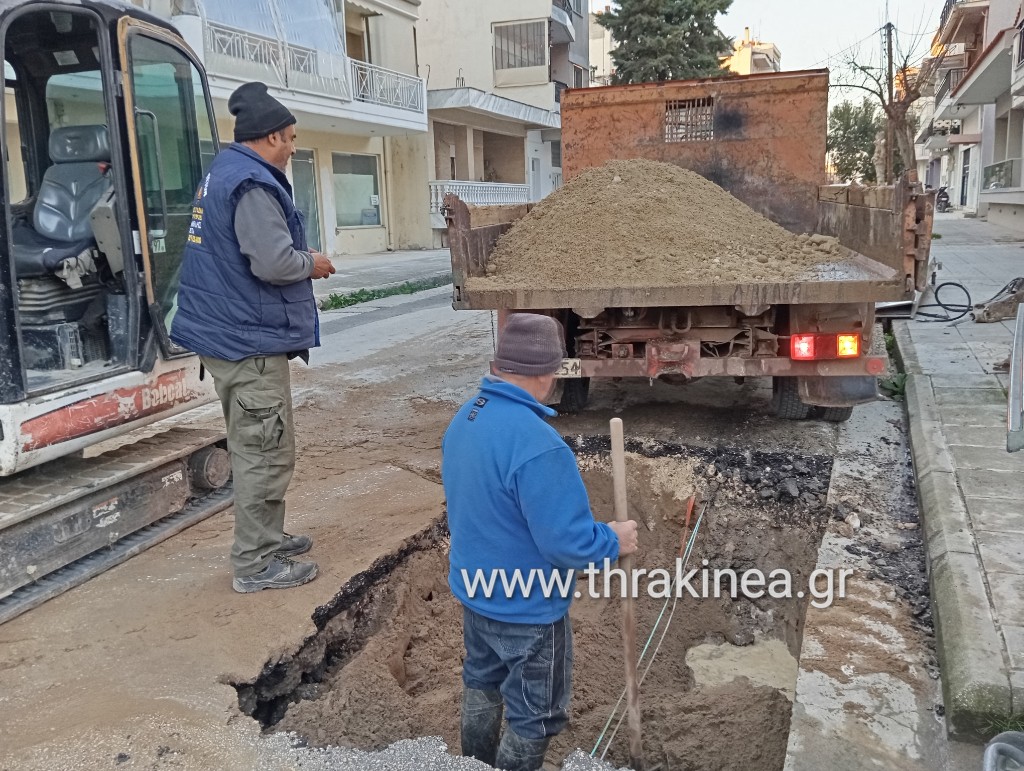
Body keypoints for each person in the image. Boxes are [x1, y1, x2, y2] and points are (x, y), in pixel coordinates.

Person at [441, 313, 639, 771]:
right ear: (550, 372)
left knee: (482, 682)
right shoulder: (539, 446)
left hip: (476, 591)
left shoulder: (467, 418)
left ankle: (475, 765)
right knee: (536, 714)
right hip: (527, 607)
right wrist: (612, 539)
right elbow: (567, 545)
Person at [171, 82, 336, 593]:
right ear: (268, 138)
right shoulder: (254, 184)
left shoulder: (224, 171)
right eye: (288, 137)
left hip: (228, 332)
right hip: (249, 340)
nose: (292, 146)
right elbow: (272, 262)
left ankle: (266, 537)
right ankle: (256, 563)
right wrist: (314, 264)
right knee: (265, 451)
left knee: (256, 443)